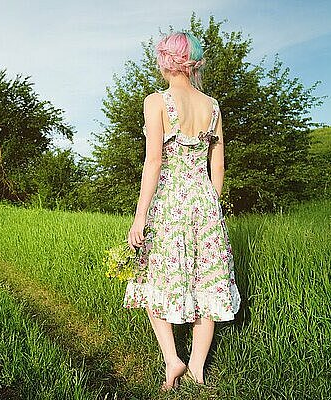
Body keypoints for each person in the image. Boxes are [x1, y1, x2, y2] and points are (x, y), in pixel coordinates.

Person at [121, 30, 241, 391]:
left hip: (170, 202)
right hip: (204, 203)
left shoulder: (156, 101)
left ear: (165, 61)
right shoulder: (212, 106)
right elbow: (217, 166)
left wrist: (140, 216)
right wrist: (211, 204)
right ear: (194, 62)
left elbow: (153, 162)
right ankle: (198, 368)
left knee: (155, 280)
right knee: (208, 282)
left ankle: (173, 360)